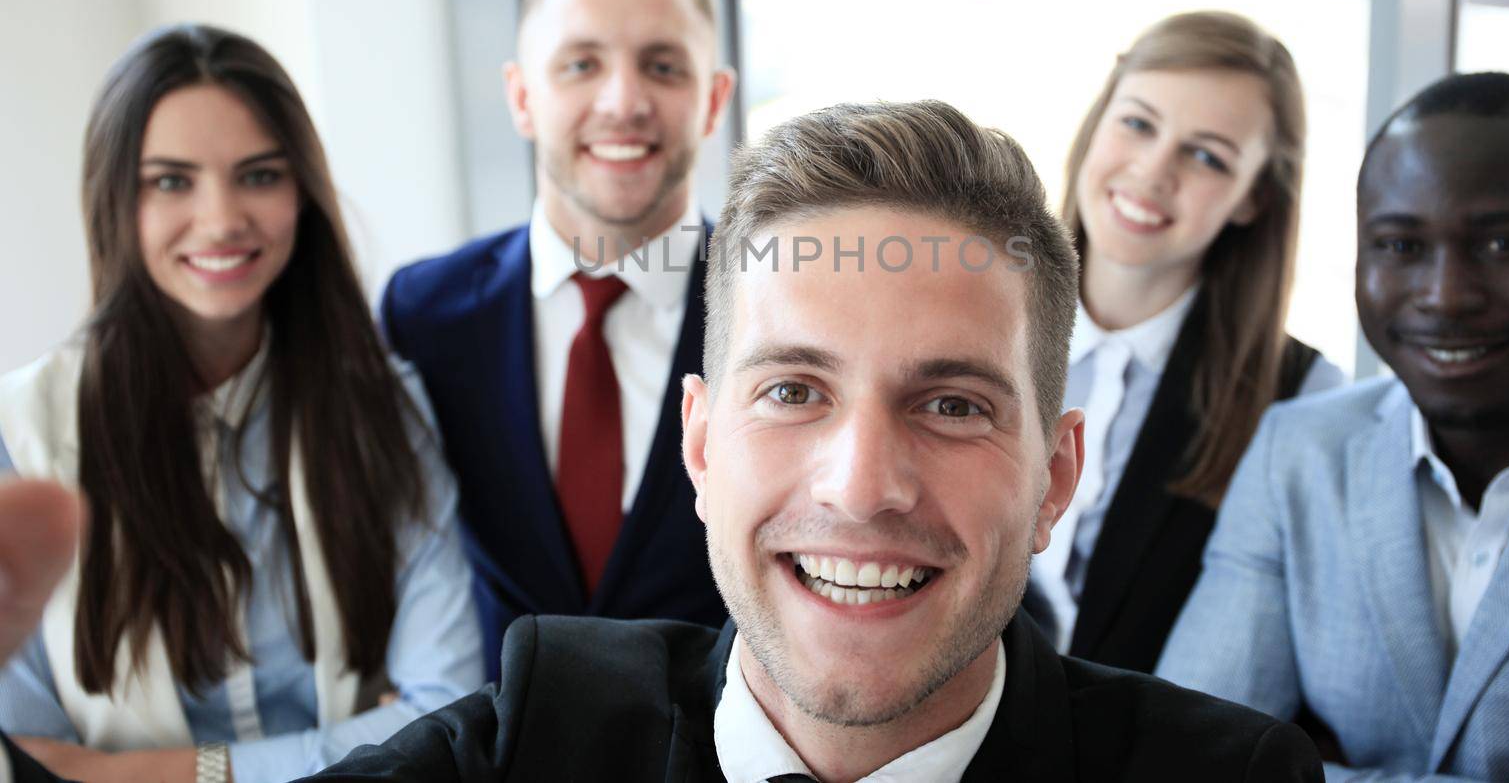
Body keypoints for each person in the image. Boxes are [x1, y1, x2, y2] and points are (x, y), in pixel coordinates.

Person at [289, 100, 1319, 781]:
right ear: (700, 447)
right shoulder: (529, 739)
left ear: (1055, 476)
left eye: (953, 404)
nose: (863, 484)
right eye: (792, 388)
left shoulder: (1232, 776)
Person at [0, 25, 483, 783]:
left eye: (259, 175)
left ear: (302, 193)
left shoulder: (385, 410)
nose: (223, 218)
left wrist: (151, 772)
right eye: (171, 181)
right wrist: (359, 737)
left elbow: (446, 716)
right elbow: (29, 757)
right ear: (114, 199)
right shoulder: (22, 435)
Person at [1158, 72, 1509, 781]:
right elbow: (1184, 758)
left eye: (1503, 244)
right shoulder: (1300, 452)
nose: (1446, 294)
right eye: (1399, 246)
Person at [380, 0, 737, 677]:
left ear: (712, 101)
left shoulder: (785, 313)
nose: (623, 100)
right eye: (581, 64)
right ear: (521, 97)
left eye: (663, 67)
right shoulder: (424, 313)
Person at [1024, 11, 1343, 671]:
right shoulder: (970, 318)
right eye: (1138, 123)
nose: (1151, 170)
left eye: (1206, 155)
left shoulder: (1300, 397)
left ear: (1254, 198)